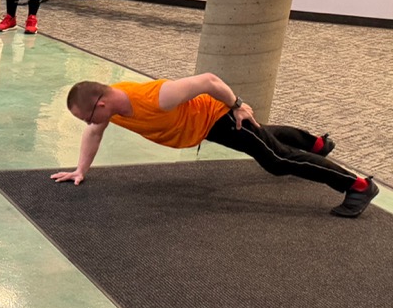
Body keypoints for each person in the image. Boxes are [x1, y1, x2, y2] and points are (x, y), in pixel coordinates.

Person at [55, 74, 380, 218]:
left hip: (221, 117)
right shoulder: (110, 109)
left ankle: (358, 186)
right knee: (264, 137)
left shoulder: (155, 97)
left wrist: (237, 104)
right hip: (206, 127)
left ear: (100, 104)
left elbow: (208, 80)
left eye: (87, 117)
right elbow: (93, 134)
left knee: (277, 160)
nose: (89, 123)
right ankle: (317, 144)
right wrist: (81, 170)